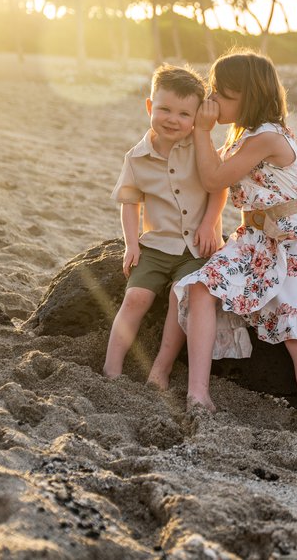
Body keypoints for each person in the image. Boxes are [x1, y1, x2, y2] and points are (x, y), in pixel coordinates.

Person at [173, 50, 297, 443]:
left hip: (290, 242)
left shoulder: (267, 137)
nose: (212, 100)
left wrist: (203, 130)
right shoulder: (244, 135)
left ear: (249, 95)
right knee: (199, 287)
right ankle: (198, 393)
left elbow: (213, 179)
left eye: (221, 94)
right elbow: (218, 183)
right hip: (253, 239)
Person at [105, 64, 226, 385]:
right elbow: (129, 203)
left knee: (179, 297)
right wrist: (132, 244)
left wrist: (209, 225)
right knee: (135, 299)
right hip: (156, 246)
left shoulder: (201, 148)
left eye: (185, 114)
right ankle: (111, 368)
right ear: (149, 107)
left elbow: (219, 188)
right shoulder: (136, 157)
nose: (173, 119)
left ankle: (161, 367)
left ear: (197, 117)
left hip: (197, 249)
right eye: (164, 109)